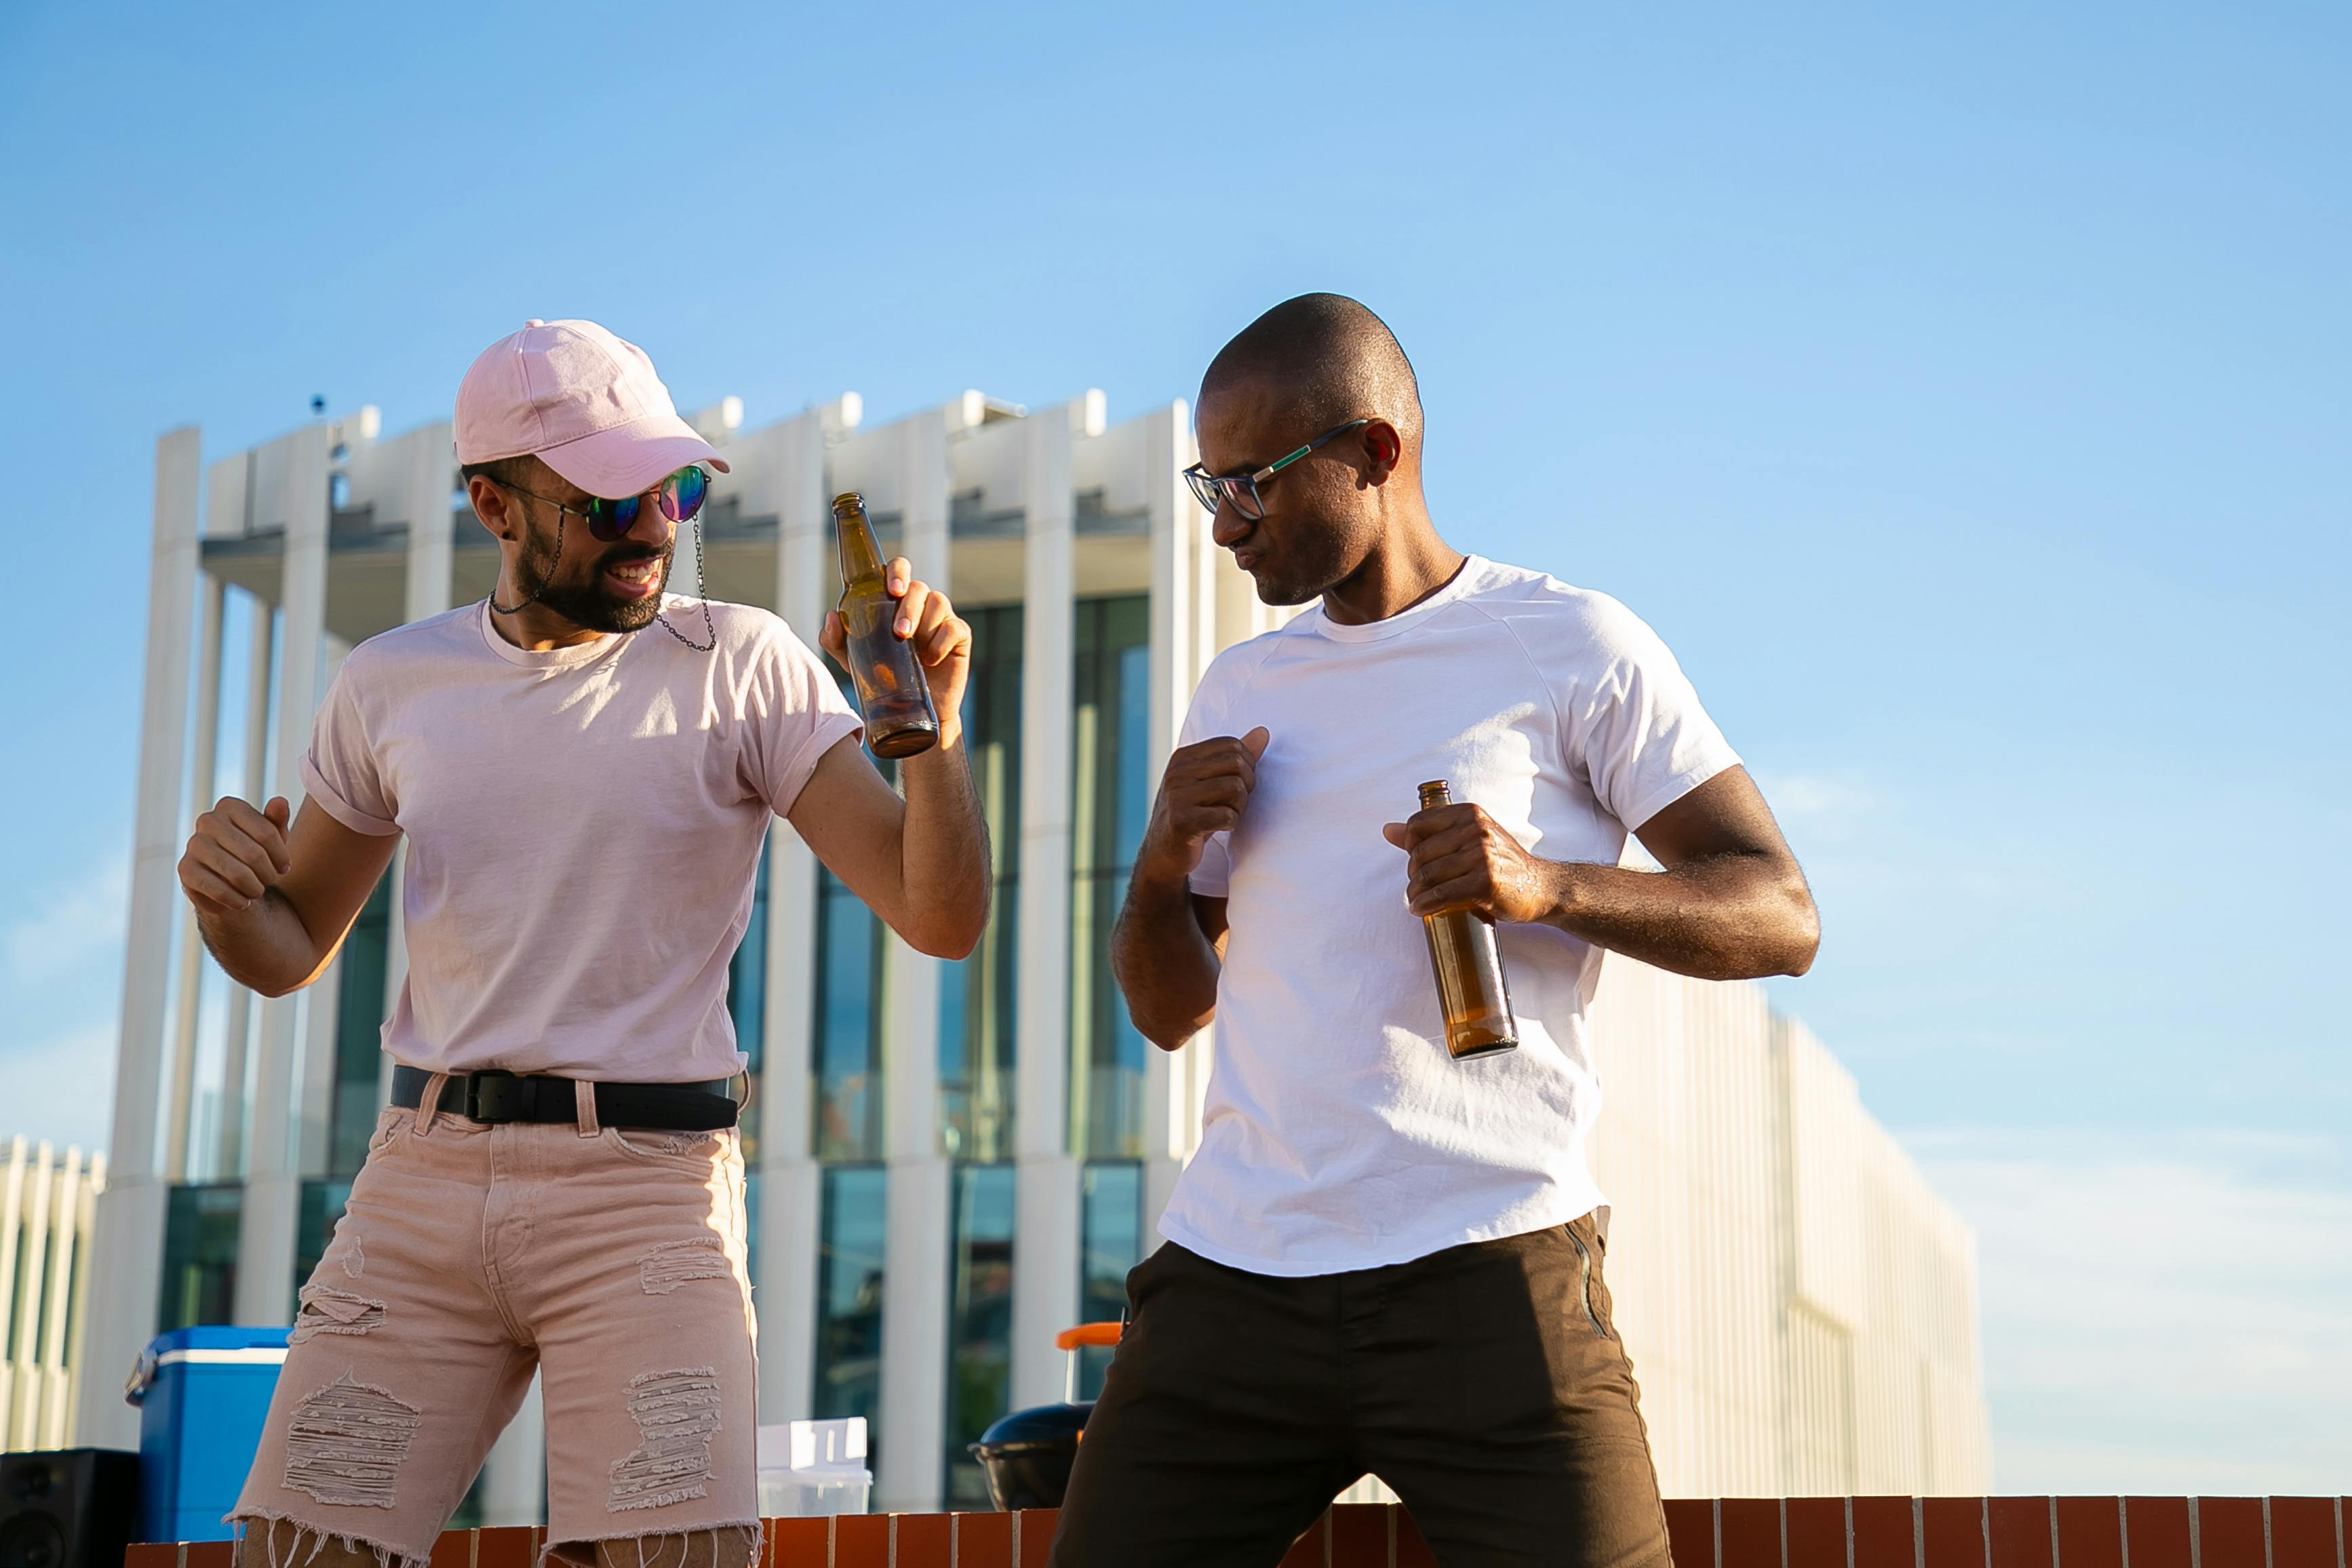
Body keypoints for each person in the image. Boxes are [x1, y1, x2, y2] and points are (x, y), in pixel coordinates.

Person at [176, 319, 990, 1568]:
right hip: (422, 1183)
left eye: (672, 489)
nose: (655, 525)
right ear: (493, 504)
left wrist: (931, 731)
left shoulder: (743, 665)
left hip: (648, 1197)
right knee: (299, 1551)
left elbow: (941, 919)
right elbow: (291, 948)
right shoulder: (393, 684)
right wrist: (229, 901)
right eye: (608, 499)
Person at [1051, 295, 1822, 1567]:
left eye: (1252, 484)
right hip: (1235, 1278)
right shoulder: (1242, 688)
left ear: (1375, 451)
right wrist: (1159, 862)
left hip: (1494, 1266)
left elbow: (1780, 912)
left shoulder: (1573, 645)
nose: (1226, 524)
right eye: (1211, 486)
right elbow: (1169, 1007)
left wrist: (1549, 887)